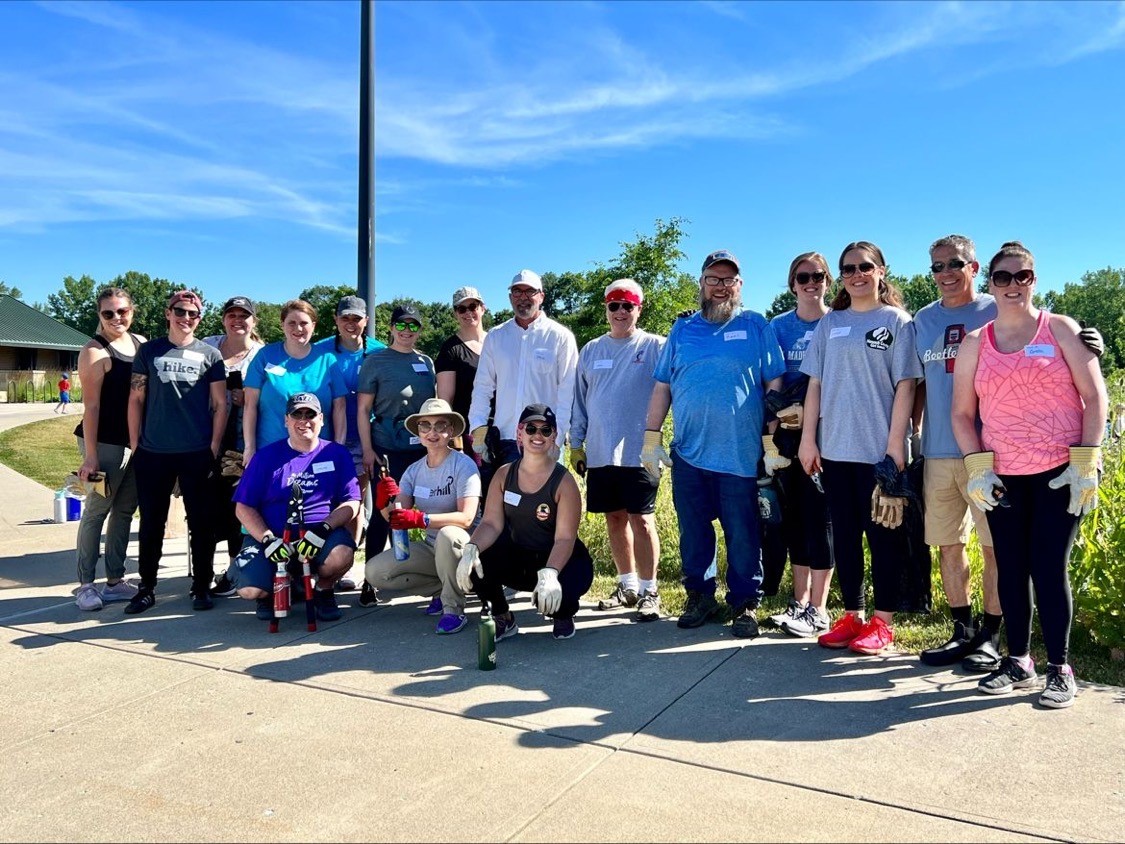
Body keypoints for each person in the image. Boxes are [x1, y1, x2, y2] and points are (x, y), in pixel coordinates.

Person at [952, 241, 1107, 709]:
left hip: (1061, 473)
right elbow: (961, 414)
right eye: (1003, 277)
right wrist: (977, 467)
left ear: (1034, 280)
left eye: (1023, 276)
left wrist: (1086, 461)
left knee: (1048, 566)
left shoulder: (1060, 329)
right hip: (1002, 476)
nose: (1013, 285)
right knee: (1011, 569)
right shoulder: (976, 342)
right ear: (990, 283)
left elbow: (1096, 397)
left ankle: (1060, 668)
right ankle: (1018, 660)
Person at [642, 250, 785, 638]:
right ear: (701, 283)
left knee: (742, 533)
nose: (721, 287)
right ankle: (700, 596)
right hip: (688, 453)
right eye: (713, 279)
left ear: (739, 286)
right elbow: (663, 384)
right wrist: (651, 438)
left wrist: (770, 441)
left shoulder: (756, 325)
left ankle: (745, 603)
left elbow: (774, 384)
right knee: (694, 531)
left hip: (739, 455)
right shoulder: (683, 330)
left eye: (729, 280)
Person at [798, 241, 922, 654]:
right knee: (846, 538)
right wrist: (808, 439)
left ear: (881, 270)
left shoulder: (898, 322)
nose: (856, 274)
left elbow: (906, 385)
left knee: (883, 537)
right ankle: (852, 615)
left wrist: (894, 447)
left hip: (878, 453)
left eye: (865, 266)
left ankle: (882, 622)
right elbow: (814, 384)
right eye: (848, 268)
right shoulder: (830, 325)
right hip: (834, 451)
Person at [911, 235, 1005, 671]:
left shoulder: (995, 308)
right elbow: (915, 385)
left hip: (989, 452)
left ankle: (991, 635)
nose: (945, 273)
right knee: (948, 545)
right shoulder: (923, 320)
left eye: (954, 264)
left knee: (993, 548)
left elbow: (1040, 328)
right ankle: (962, 630)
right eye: (937, 266)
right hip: (938, 450)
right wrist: (910, 436)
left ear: (974, 266)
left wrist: (1083, 338)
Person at [125, 290, 228, 614]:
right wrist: (136, 443)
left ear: (199, 318)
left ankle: (201, 586)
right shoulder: (149, 351)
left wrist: (212, 445)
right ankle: (146, 587)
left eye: (193, 314)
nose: (186, 318)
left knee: (201, 522)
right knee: (151, 521)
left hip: (196, 451)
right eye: (180, 311)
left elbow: (220, 404)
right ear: (168, 313)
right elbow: (136, 399)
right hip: (153, 452)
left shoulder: (210, 356)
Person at [570, 279, 665, 622]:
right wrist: (576, 444)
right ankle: (626, 585)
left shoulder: (655, 346)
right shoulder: (592, 349)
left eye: (628, 305)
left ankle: (649, 589)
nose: (621, 312)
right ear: (606, 309)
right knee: (615, 519)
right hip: (599, 452)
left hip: (641, 451)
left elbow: (677, 376)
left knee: (642, 520)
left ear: (639, 309)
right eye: (614, 305)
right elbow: (579, 400)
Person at [457, 404, 593, 640]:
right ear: (519, 433)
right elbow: (490, 524)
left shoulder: (564, 482)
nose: (537, 436)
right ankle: (503, 617)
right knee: (477, 562)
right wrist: (471, 548)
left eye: (545, 430)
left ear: (554, 437)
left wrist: (550, 573)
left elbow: (565, 538)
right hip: (520, 557)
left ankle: (563, 615)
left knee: (560, 595)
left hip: (559, 559)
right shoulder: (503, 475)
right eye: (531, 429)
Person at [230, 393, 360, 624]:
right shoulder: (265, 457)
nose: (304, 420)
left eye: (310, 414)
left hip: (318, 535)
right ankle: (272, 590)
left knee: (341, 555)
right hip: (273, 539)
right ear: (286, 420)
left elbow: (352, 502)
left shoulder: (337, 454)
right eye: (297, 414)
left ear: (321, 418)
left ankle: (323, 590)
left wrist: (323, 529)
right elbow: (243, 507)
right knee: (250, 590)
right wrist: (267, 539)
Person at [363, 398, 481, 633]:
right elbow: (396, 517)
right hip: (431, 548)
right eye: (425, 425)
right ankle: (440, 589)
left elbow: (467, 518)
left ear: (450, 430)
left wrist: (423, 519)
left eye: (440, 425)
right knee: (375, 572)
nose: (432, 432)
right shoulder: (414, 470)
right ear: (418, 431)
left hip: (468, 550)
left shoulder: (464, 465)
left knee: (448, 535)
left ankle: (453, 609)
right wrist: (383, 502)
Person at [765, 253, 835, 638]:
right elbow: (771, 381)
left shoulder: (836, 321)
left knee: (819, 517)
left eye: (818, 276)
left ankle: (819, 608)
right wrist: (773, 428)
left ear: (828, 281)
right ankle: (799, 602)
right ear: (792, 283)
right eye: (803, 277)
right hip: (786, 435)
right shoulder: (777, 327)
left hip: (826, 434)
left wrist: (811, 413)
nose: (811, 283)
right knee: (793, 519)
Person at [73, 287, 145, 611]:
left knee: (126, 509)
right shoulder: (93, 352)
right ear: (99, 316)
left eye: (122, 312)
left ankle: (115, 581)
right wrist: (91, 456)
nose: (117, 318)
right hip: (102, 443)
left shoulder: (140, 344)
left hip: (134, 442)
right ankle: (86, 584)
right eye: (108, 313)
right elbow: (91, 408)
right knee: (97, 511)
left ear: (132, 311)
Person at [467, 270, 578, 468]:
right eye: (517, 292)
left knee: (546, 499)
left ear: (541, 296)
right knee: (507, 498)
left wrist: (557, 438)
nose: (523, 298)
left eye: (530, 292)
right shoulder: (496, 337)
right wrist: (478, 426)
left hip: (544, 439)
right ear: (510, 297)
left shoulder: (560, 337)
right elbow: (483, 386)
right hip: (505, 438)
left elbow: (568, 393)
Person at [356, 304, 437, 569]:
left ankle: (405, 570)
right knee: (384, 511)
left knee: (419, 509)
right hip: (387, 448)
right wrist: (368, 450)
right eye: (401, 324)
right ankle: (372, 576)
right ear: (391, 328)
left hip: (421, 449)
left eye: (413, 325)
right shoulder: (376, 361)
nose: (406, 330)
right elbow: (363, 408)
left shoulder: (426, 362)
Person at [202, 296, 264, 597]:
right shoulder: (207, 346)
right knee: (207, 504)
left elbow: (271, 399)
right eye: (232, 315)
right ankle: (204, 571)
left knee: (238, 504)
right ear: (224, 318)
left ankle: (234, 569)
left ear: (254, 321)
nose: (237, 320)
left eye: (244, 315)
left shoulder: (262, 355)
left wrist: (249, 398)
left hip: (243, 440)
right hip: (208, 436)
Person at [315, 295, 387, 547]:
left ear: (366, 321)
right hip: (325, 437)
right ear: (335, 320)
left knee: (355, 497)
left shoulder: (379, 352)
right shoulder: (319, 350)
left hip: (365, 437)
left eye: (356, 318)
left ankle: (347, 555)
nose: (350, 323)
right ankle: (323, 556)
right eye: (344, 317)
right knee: (324, 498)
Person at [243, 298, 346, 468]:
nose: (298, 328)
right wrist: (249, 447)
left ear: (313, 326)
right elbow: (249, 405)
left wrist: (338, 449)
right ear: (282, 324)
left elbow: (340, 407)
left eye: (304, 323)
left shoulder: (327, 360)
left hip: (318, 455)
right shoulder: (265, 356)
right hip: (271, 450)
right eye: (292, 323)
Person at [436, 286, 488, 456]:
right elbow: (446, 399)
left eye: (472, 306)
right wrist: (453, 436)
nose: (468, 313)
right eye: (461, 308)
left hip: (503, 428)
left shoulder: (497, 341)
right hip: (469, 432)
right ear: (455, 313)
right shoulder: (450, 349)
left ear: (482, 308)